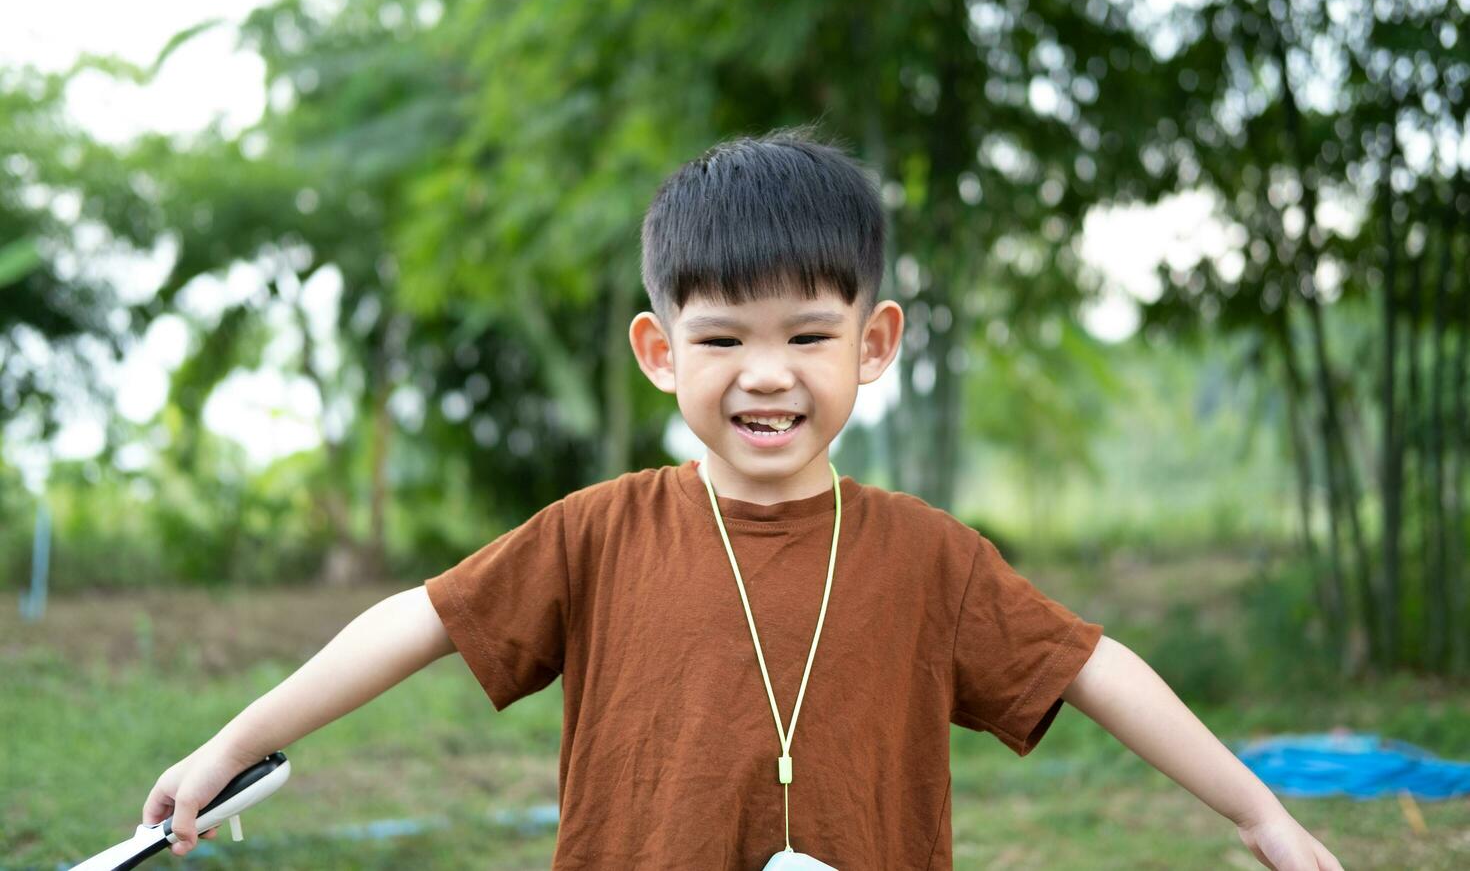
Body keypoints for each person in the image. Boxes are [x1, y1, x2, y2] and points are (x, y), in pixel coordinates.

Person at [145, 128, 1344, 870]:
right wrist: (235, 739)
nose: (766, 373)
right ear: (662, 352)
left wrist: (1263, 813)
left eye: (807, 335)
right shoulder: (598, 531)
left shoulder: (930, 556)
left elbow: (1091, 663)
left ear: (872, 343)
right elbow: (413, 619)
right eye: (722, 337)